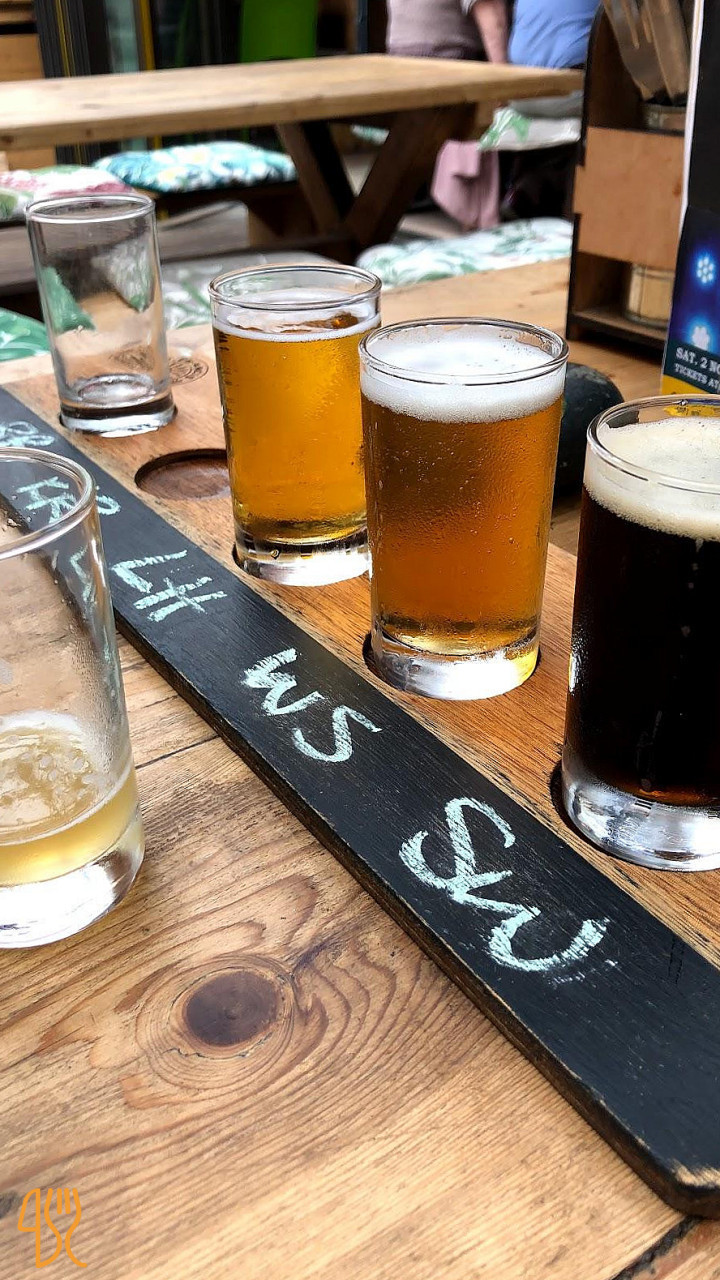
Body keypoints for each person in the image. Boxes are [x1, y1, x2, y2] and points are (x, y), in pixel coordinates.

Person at [386, 0, 509, 229]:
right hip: (445, 58)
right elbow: (491, 15)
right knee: (485, 107)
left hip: (397, 57)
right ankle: (476, 215)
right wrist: (505, 84)